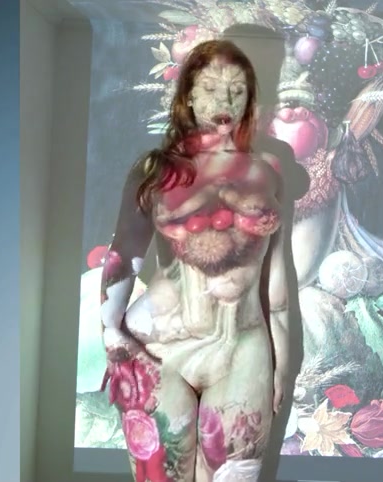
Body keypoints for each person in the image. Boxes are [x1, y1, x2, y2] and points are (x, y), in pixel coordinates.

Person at [99, 40, 295, 482]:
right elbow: (123, 256)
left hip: (242, 348)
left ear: (250, 98)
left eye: (237, 89)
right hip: (159, 349)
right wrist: (111, 336)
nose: (224, 100)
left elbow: (275, 273)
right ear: (187, 94)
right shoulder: (155, 170)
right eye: (210, 88)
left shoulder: (268, 169)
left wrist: (282, 362)